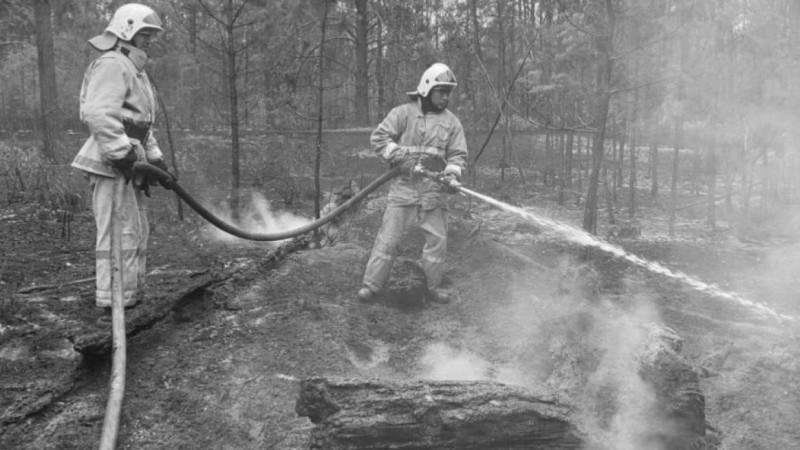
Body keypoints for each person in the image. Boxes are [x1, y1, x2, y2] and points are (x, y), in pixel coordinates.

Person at [72, 3, 172, 309]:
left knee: (134, 230)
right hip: (109, 164)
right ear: (126, 31)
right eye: (145, 33)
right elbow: (99, 114)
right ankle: (113, 301)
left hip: (129, 160)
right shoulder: (112, 64)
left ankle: (127, 298)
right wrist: (122, 155)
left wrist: (155, 160)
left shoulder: (134, 69)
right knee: (119, 233)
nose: (150, 40)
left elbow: (141, 124)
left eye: (152, 34)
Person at [357, 63, 468, 305]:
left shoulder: (452, 123)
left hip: (433, 193)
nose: (446, 97)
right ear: (427, 89)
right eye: (441, 91)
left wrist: (452, 175)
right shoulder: (402, 114)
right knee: (388, 239)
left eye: (449, 92)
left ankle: (431, 288)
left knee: (437, 242)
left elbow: (458, 155)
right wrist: (400, 157)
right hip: (403, 189)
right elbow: (379, 137)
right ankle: (372, 286)